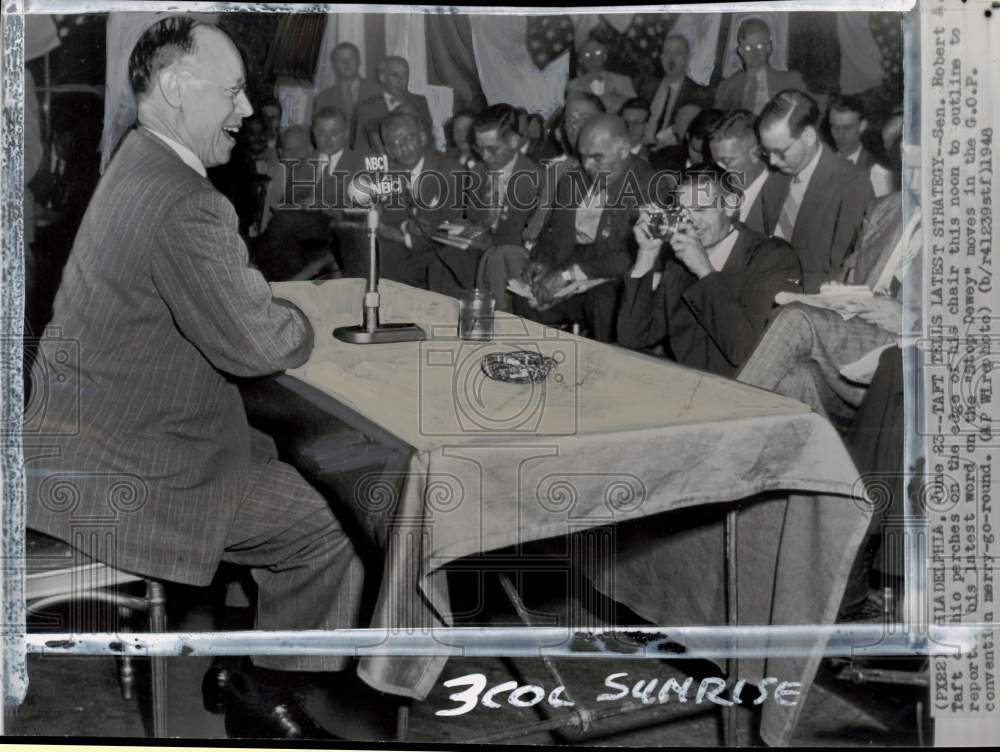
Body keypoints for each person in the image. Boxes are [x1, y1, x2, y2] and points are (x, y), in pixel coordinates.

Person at [23, 18, 363, 740]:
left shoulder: (137, 159)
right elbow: (258, 343)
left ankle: (245, 667)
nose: (247, 109)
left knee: (280, 458)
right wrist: (303, 316)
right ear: (178, 87)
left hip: (78, 444)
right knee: (336, 523)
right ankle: (263, 697)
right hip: (129, 471)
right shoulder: (186, 199)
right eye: (232, 91)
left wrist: (250, 298)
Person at [617, 165, 800, 376]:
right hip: (690, 383)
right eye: (682, 212)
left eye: (701, 210)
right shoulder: (679, 263)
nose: (690, 222)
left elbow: (749, 354)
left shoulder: (772, 257)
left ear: (730, 206)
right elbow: (632, 337)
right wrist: (646, 255)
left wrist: (704, 270)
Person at [514, 114, 659, 343]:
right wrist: (543, 261)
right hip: (572, 274)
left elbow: (627, 256)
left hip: (614, 282)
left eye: (597, 158)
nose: (587, 166)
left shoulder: (650, 186)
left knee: (603, 302)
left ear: (623, 150)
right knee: (526, 299)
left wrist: (568, 275)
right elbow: (553, 233)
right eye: (583, 156)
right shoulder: (573, 180)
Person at [756, 89, 874, 293]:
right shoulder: (775, 182)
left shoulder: (852, 184)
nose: (772, 161)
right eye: (767, 151)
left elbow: (843, 272)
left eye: (780, 151)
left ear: (808, 136)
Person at [428, 104, 543, 299]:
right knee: (441, 259)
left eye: (492, 149)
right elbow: (473, 219)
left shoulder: (536, 178)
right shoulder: (478, 172)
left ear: (514, 141)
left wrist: (487, 242)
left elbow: (531, 239)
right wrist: (460, 229)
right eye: (479, 148)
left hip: (513, 257)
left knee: (494, 262)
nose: (485, 156)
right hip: (480, 249)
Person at [374, 112, 465, 288]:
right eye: (395, 143)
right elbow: (391, 216)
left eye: (408, 138)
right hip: (405, 253)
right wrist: (405, 226)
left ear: (422, 137)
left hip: (440, 252)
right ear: (388, 151)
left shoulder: (449, 169)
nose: (404, 147)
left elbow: (445, 223)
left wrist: (402, 237)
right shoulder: (390, 175)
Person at [251, 125, 340, 281]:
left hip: (323, 229)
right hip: (290, 241)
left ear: (310, 149)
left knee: (284, 221)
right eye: (288, 150)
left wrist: (320, 204)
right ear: (281, 153)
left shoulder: (324, 169)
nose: (294, 155)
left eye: (299, 149)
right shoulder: (278, 174)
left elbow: (341, 212)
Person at [713, 17, 808, 115]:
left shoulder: (791, 82)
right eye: (748, 47)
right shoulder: (726, 87)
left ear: (768, 48)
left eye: (759, 46)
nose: (754, 53)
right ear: (740, 51)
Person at [708, 109, 778, 233]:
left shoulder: (779, 198)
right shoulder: (716, 195)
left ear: (755, 154)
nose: (720, 170)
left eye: (727, 161)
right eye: (716, 162)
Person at [643, 35, 714, 149]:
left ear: (687, 58)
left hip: (673, 151)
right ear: (661, 57)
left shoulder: (699, 95)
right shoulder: (646, 87)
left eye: (678, 53)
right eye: (667, 52)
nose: (671, 58)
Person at [352, 56, 433, 151]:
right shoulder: (366, 107)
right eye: (395, 75)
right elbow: (360, 147)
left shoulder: (419, 101)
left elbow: (429, 139)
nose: (401, 80)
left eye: (405, 74)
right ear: (382, 77)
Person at [311, 41, 380, 127]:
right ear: (334, 65)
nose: (347, 63)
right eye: (340, 59)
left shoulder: (377, 92)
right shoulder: (323, 98)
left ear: (359, 61)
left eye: (351, 58)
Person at [566, 38, 637, 115]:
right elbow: (571, 112)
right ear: (581, 60)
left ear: (605, 56)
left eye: (597, 52)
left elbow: (635, 109)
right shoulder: (574, 86)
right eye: (587, 54)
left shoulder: (622, 81)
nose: (592, 57)